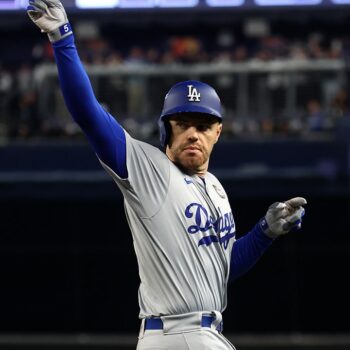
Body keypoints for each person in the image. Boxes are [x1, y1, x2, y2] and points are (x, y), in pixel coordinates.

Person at [27, 2, 307, 349]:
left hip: (202, 333)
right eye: (183, 124)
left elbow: (218, 270)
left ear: (217, 132)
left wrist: (264, 234)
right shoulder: (150, 171)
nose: (193, 133)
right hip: (177, 333)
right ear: (166, 131)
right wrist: (62, 38)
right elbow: (88, 114)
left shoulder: (216, 188)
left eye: (203, 126)